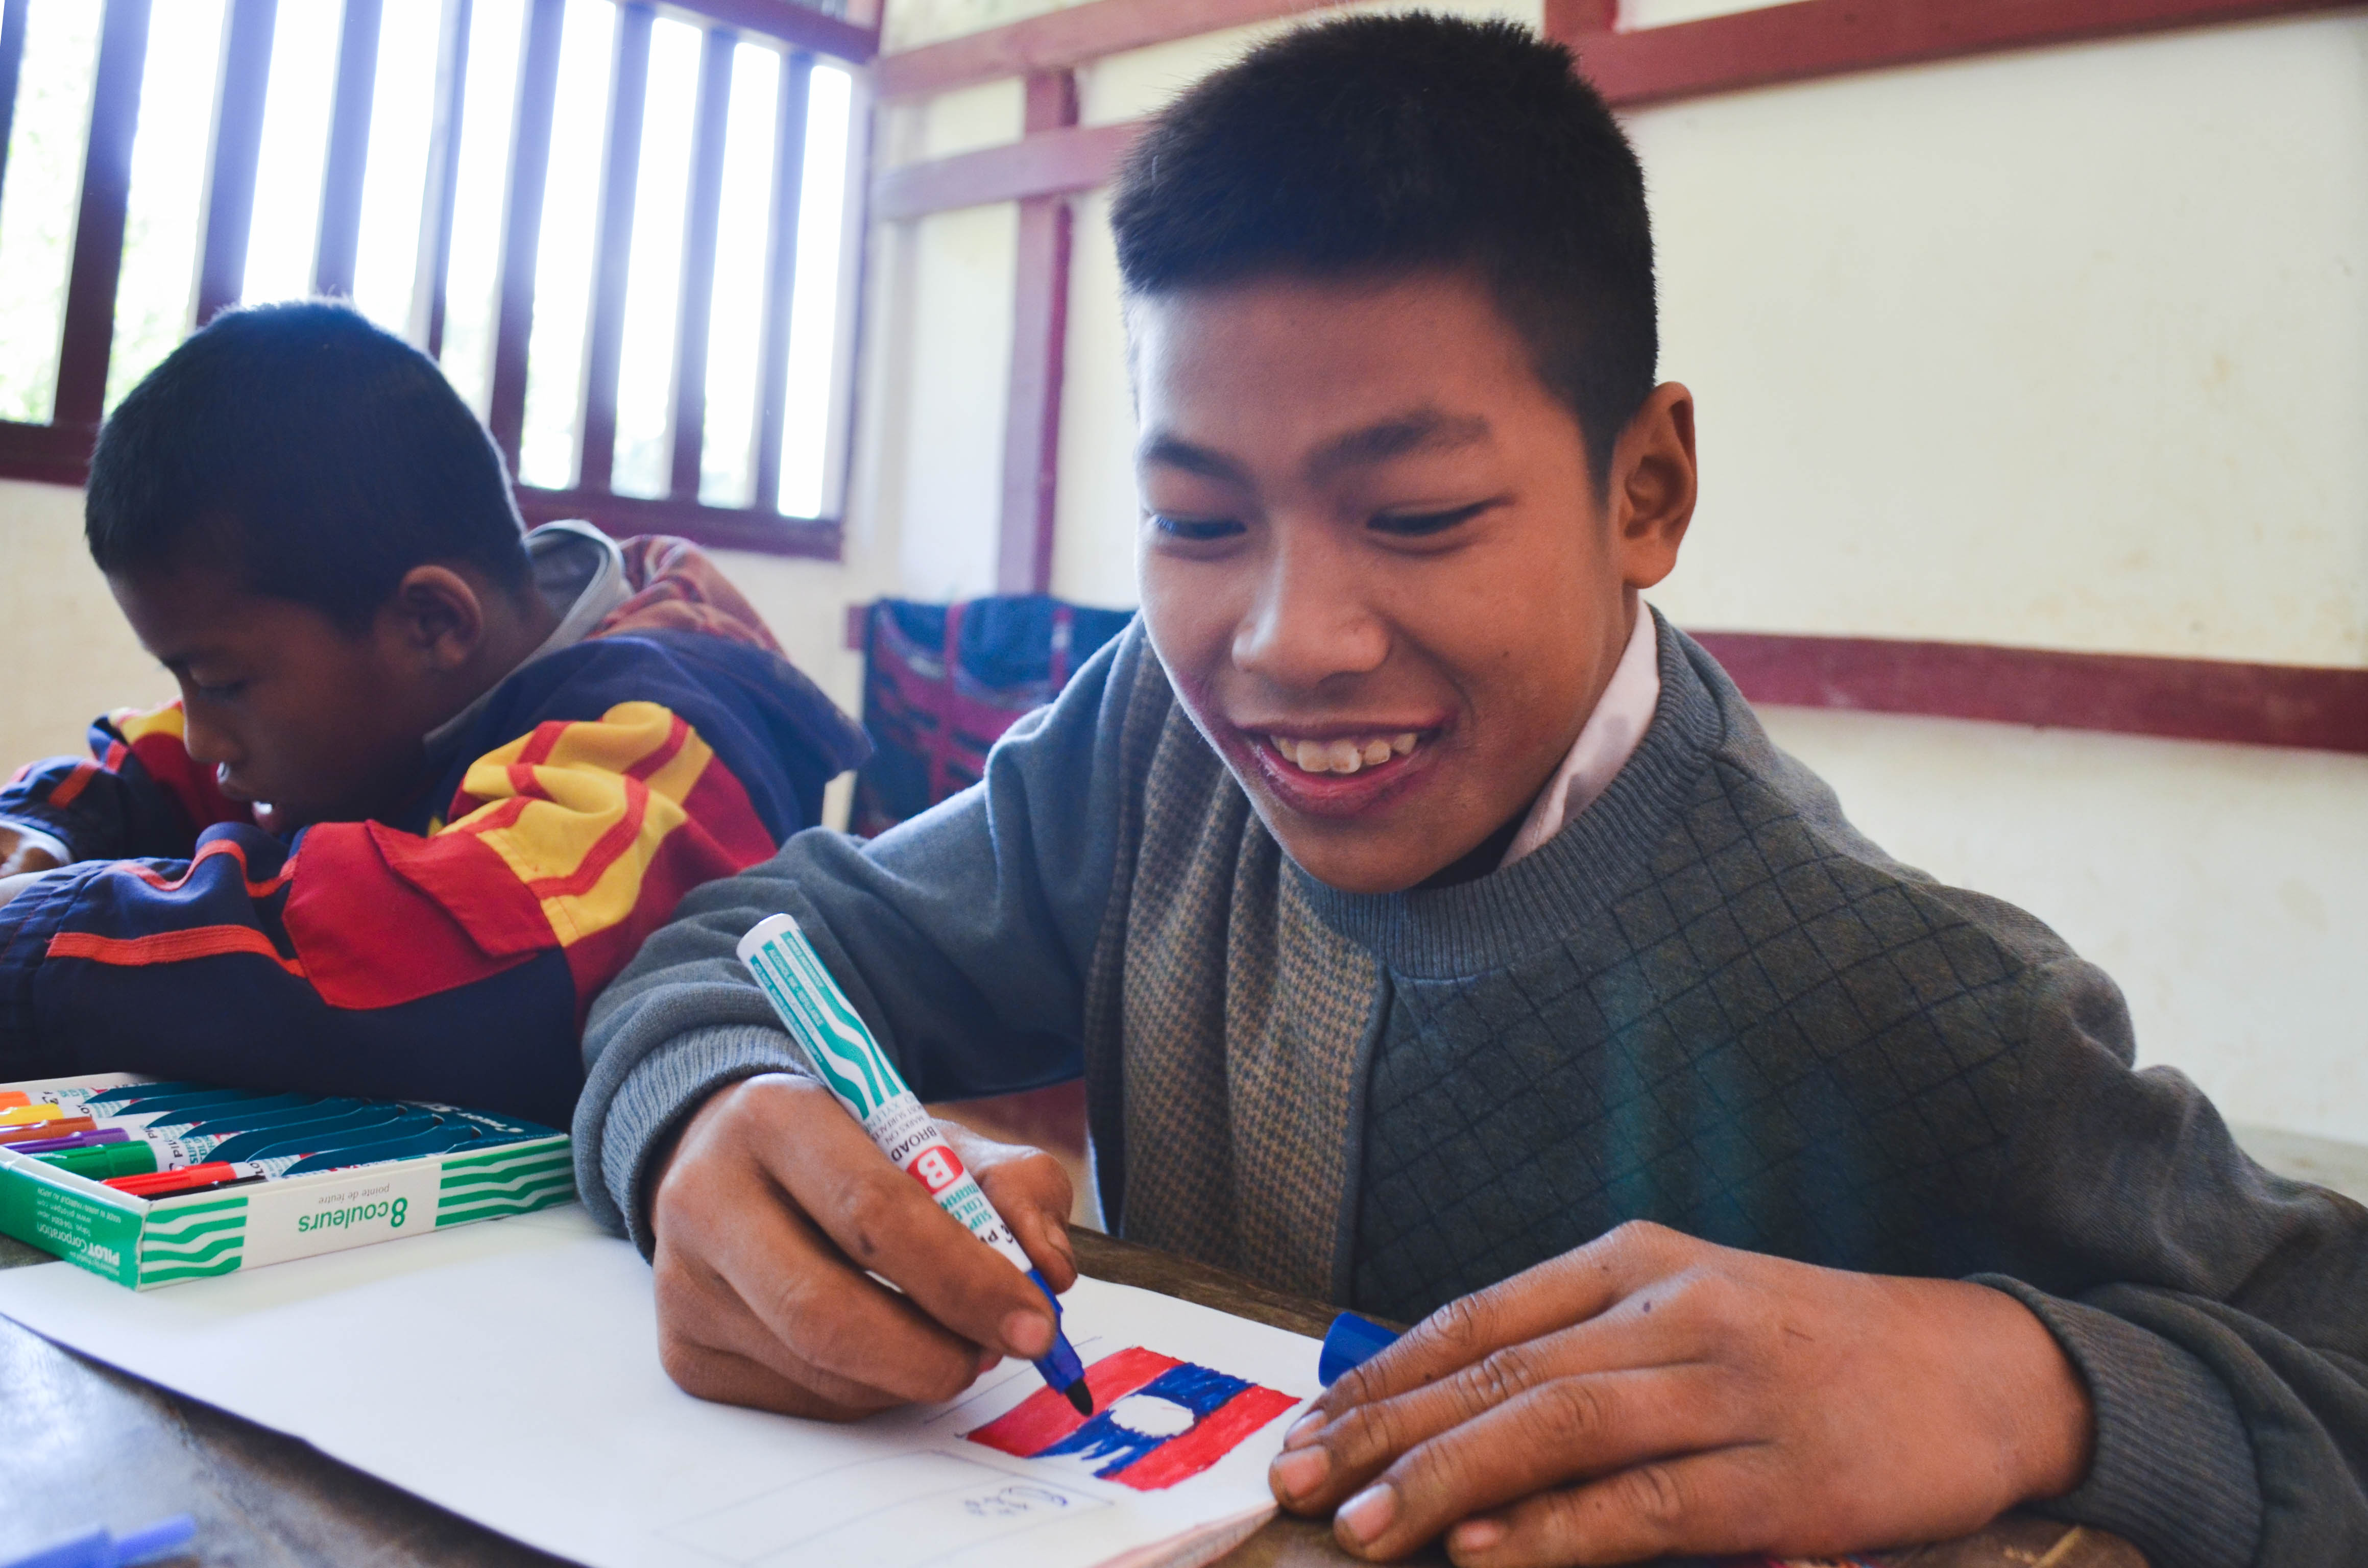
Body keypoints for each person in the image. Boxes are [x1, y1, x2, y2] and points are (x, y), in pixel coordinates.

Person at [570, 17, 2366, 1567]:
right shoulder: (1145, 756)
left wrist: (2019, 1380)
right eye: (1195, 520)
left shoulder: (1890, 991)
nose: (1286, 642)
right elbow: (747, 951)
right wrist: (702, 1117)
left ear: (1643, 488)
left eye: (1415, 515)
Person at [0, 302, 865, 1128]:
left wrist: (30, 944)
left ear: (432, 624)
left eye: (221, 684)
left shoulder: (666, 738)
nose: (200, 735)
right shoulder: (414, 684)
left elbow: (428, 952)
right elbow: (151, 767)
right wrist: (42, 835)